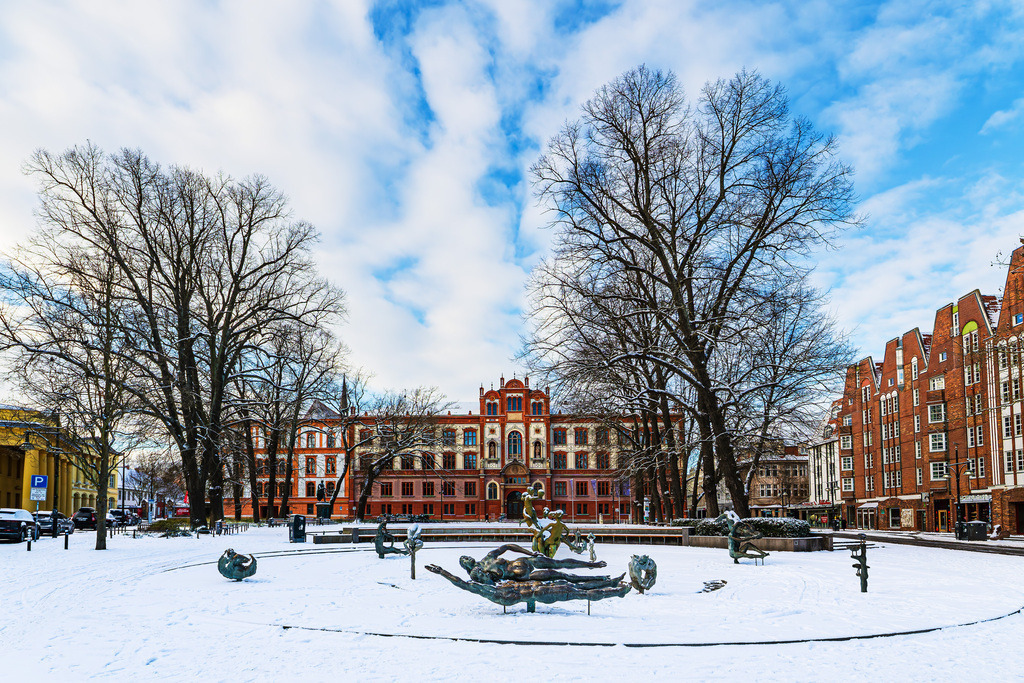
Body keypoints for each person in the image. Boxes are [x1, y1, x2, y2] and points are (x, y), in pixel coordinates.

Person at [457, 544, 619, 586]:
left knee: (559, 563)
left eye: (465, 556)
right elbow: (490, 584)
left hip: (525, 561)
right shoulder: (477, 574)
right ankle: (598, 578)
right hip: (524, 576)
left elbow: (507, 547)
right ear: (466, 567)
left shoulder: (488, 557)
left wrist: (530, 553)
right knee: (563, 576)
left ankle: (592, 564)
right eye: (463, 560)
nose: (467, 558)